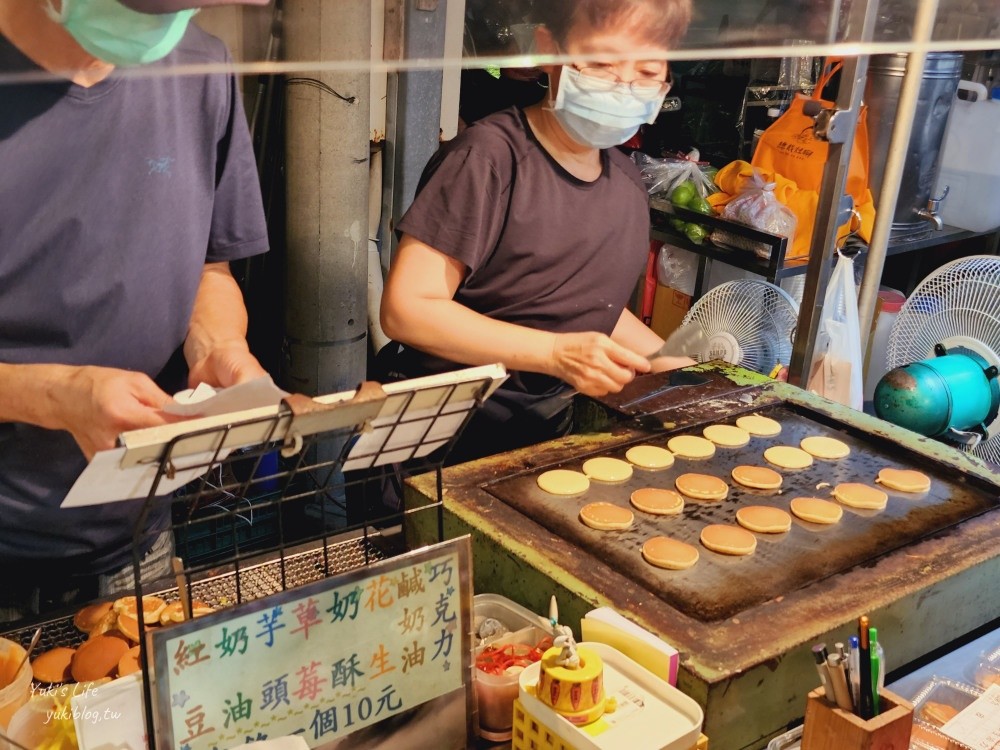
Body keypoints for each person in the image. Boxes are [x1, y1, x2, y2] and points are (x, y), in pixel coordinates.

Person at [0, 0, 270, 623]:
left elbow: (210, 265)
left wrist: (218, 346)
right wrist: (54, 394)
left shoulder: (200, 67)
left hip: (137, 534)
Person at [380, 0, 695, 465]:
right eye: (603, 63)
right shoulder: (489, 159)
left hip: (539, 443)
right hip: (437, 446)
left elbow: (585, 307)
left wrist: (671, 360)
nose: (624, 87)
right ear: (549, 50)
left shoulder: (626, 184)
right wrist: (553, 353)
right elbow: (408, 309)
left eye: (647, 72)